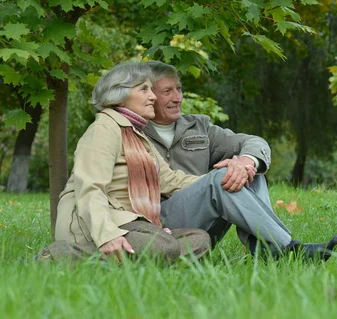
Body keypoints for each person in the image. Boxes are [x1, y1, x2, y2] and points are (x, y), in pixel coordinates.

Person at [143, 60, 337, 261]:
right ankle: (289, 248)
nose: (178, 98)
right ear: (148, 95)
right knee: (224, 177)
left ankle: (264, 248)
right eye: (167, 91)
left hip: (204, 223)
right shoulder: (133, 130)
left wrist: (247, 163)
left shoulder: (198, 126)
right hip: (160, 224)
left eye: (179, 89)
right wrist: (220, 178)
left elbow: (254, 142)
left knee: (249, 174)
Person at [38, 62, 211, 262]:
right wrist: (106, 235)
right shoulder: (104, 129)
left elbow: (169, 180)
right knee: (163, 246)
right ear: (119, 96)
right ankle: (55, 257)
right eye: (144, 89)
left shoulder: (135, 133)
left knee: (199, 239)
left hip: (136, 222)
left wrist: (216, 179)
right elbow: (90, 187)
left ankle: (132, 264)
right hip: (103, 224)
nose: (153, 96)